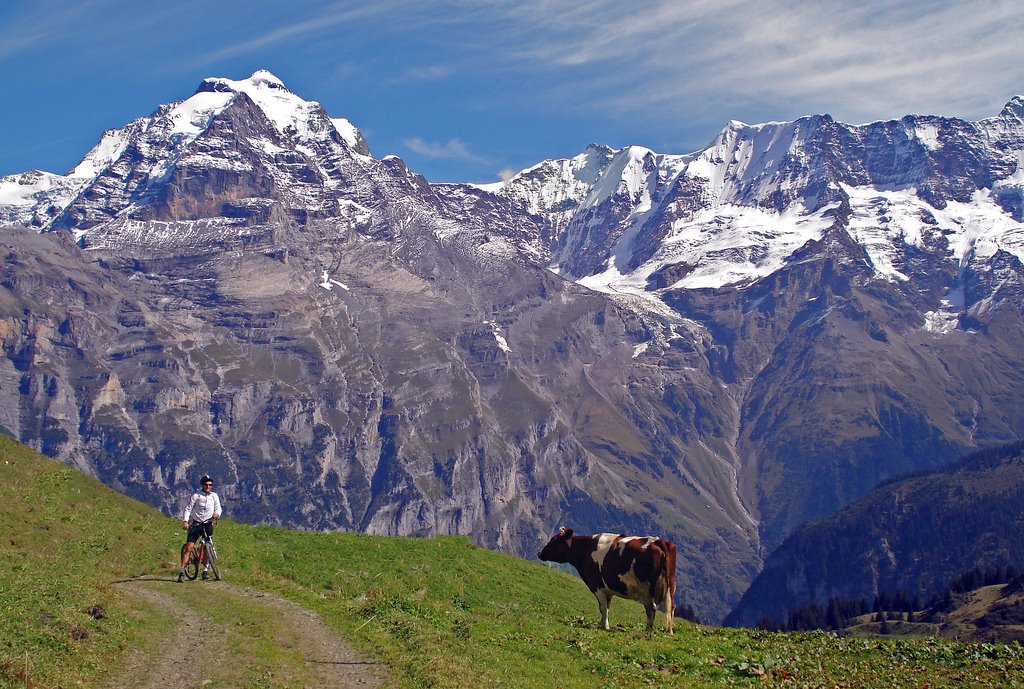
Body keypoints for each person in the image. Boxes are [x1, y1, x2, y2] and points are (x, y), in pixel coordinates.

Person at [178, 474, 223, 582]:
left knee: (208, 547)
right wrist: (185, 521)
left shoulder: (214, 496)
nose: (208, 486)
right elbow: (188, 509)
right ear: (202, 485)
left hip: (208, 523)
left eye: (210, 485)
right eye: (206, 485)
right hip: (196, 524)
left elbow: (218, 508)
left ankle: (205, 571)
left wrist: (217, 514)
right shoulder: (196, 496)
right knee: (189, 547)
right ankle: (182, 571)